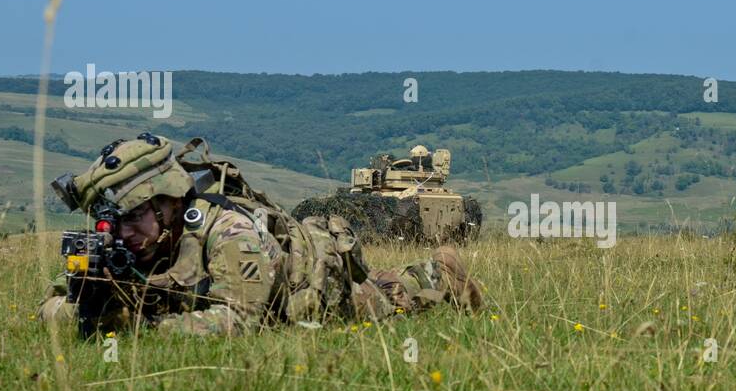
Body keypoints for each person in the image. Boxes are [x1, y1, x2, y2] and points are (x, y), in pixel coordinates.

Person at [39, 133, 484, 335]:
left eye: (132, 218)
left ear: (168, 201)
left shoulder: (227, 231)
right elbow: (51, 304)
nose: (121, 232)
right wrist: (86, 310)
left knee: (390, 299)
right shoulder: (127, 241)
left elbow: (239, 321)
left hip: (313, 285)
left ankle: (439, 270)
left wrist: (143, 327)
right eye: (114, 220)